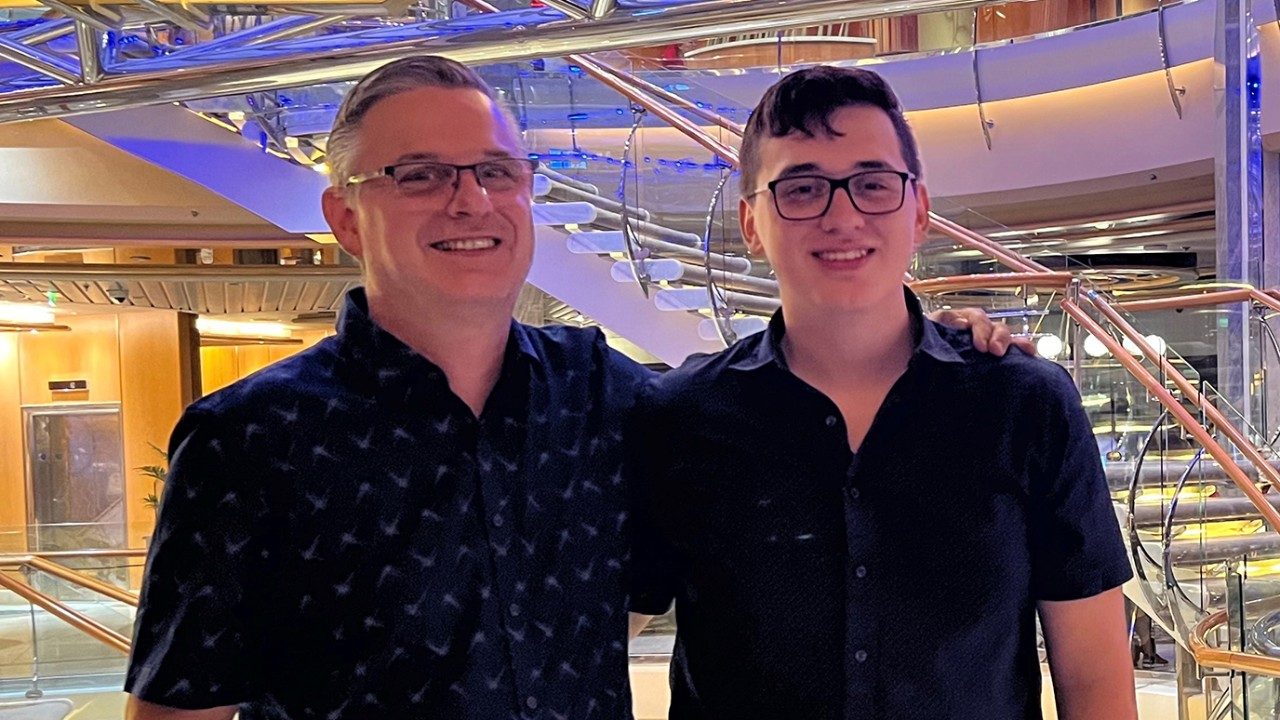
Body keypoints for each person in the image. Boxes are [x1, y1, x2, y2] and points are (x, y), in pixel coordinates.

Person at [123, 56, 1027, 720]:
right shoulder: (250, 439)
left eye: (494, 173)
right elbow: (177, 710)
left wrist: (930, 341)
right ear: (344, 216)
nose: (469, 201)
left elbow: (772, 394)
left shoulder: (606, 396)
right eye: (421, 176)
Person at [629, 66, 1138, 720]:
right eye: (802, 188)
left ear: (919, 210)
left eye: (873, 184)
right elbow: (596, 632)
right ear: (751, 223)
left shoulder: (1025, 404)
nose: (842, 215)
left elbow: (1093, 675)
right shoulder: (679, 415)